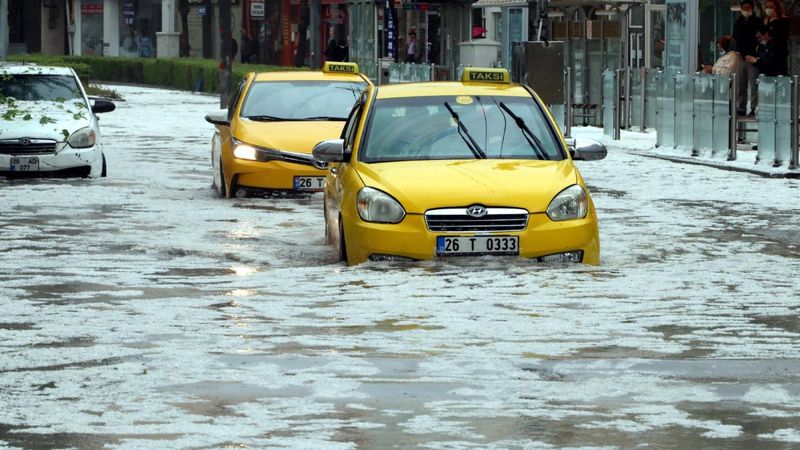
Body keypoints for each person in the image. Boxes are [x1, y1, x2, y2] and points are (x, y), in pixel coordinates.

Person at [732, 0, 760, 116]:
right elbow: (736, 37)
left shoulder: (757, 22)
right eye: (744, 8)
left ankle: (754, 108)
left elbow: (756, 38)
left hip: (752, 57)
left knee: (754, 84)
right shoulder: (739, 22)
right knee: (740, 84)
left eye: (748, 8)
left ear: (752, 9)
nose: (746, 10)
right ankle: (741, 107)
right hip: (741, 56)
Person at [762, 0, 789, 75]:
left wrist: (774, 20)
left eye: (771, 7)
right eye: (767, 7)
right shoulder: (765, 20)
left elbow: (781, 36)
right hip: (767, 53)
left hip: (779, 52)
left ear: (776, 8)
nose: (769, 9)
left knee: (780, 75)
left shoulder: (783, 20)